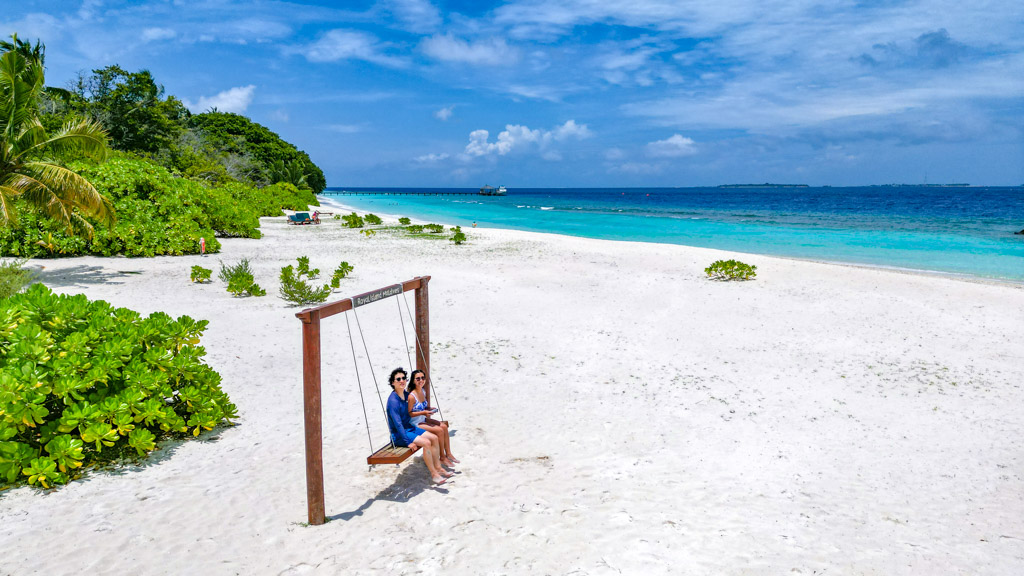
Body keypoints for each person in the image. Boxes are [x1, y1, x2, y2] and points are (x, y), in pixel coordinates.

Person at [385, 367, 451, 484]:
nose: (402, 381)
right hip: (399, 435)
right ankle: (434, 474)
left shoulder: (405, 394)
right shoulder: (393, 401)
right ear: (392, 383)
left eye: (404, 378)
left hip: (410, 429)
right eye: (398, 379)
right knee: (426, 443)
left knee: (434, 438)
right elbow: (398, 424)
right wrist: (407, 442)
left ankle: (439, 468)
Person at [406, 370, 459, 467]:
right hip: (415, 423)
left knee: (443, 426)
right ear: (413, 381)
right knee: (439, 431)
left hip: (422, 419)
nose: (421, 380)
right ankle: (442, 457)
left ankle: (448, 453)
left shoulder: (422, 391)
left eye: (423, 378)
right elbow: (409, 413)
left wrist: (428, 409)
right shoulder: (411, 396)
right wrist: (424, 412)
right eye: (418, 378)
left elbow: (421, 408)